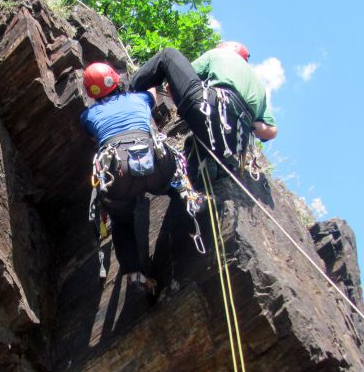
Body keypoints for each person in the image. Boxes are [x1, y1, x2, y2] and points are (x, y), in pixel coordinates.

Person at [80, 62, 183, 296]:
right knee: (173, 184)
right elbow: (152, 96)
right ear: (116, 81)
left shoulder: (88, 115)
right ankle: (190, 203)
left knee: (122, 223)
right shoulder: (139, 99)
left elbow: (92, 134)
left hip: (118, 176)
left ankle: (135, 274)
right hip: (153, 162)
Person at [129, 42, 277, 171]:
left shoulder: (220, 54)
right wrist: (238, 120)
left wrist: (188, 111)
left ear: (225, 48)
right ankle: (207, 164)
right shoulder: (259, 87)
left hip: (211, 107)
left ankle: (128, 92)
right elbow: (271, 131)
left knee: (168, 55)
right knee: (196, 144)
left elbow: (172, 85)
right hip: (235, 141)